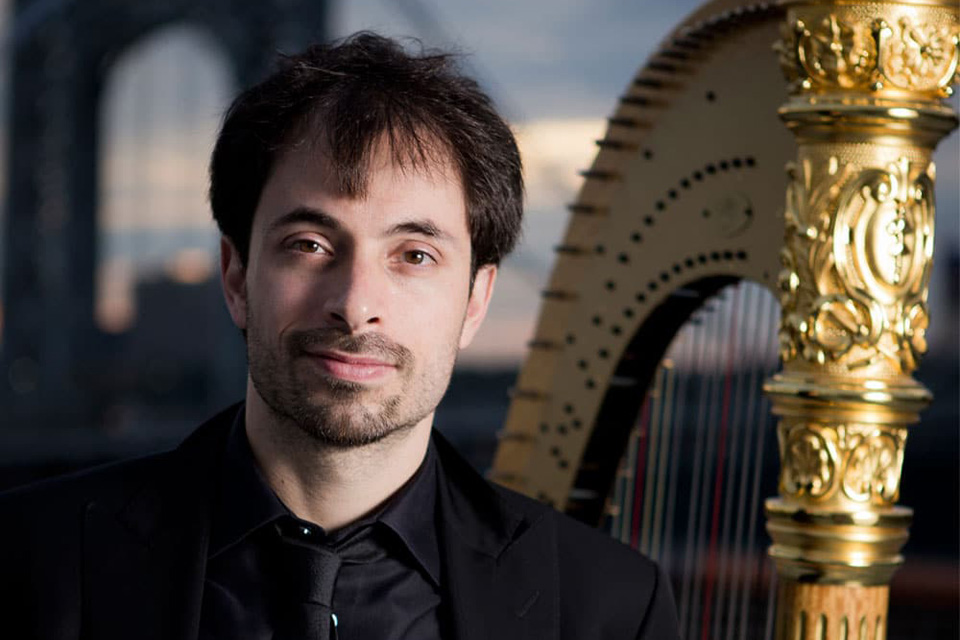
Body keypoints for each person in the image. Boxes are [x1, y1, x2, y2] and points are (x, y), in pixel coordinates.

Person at [0, 32, 679, 639]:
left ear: (477, 301)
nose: (356, 307)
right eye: (311, 244)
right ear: (236, 277)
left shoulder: (612, 606)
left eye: (414, 255)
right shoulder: (26, 561)